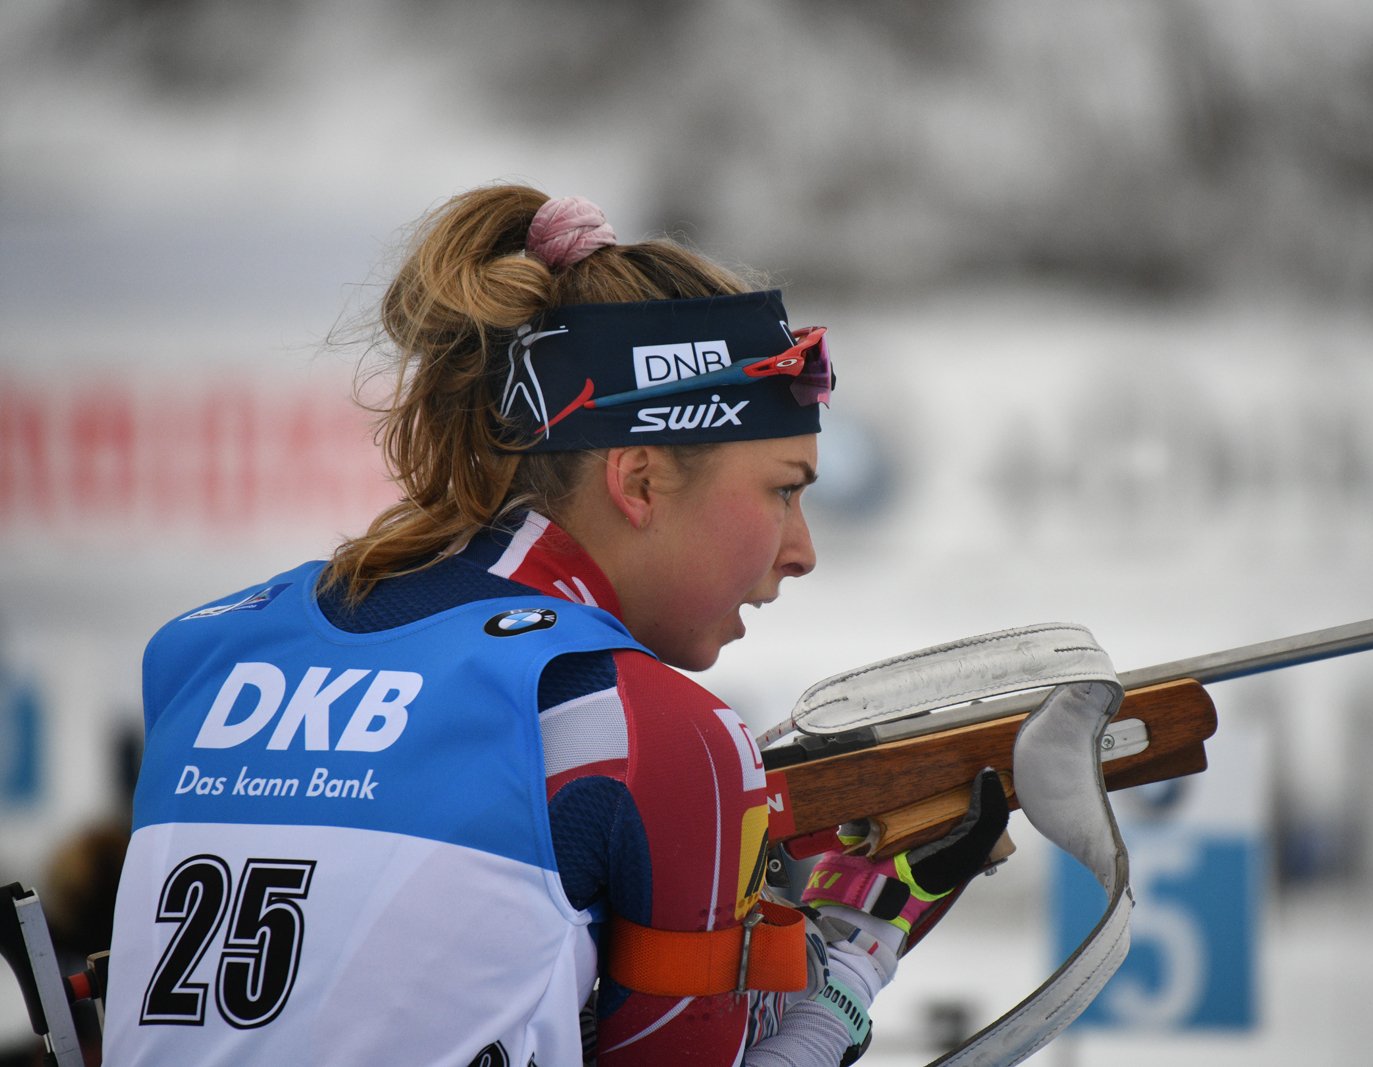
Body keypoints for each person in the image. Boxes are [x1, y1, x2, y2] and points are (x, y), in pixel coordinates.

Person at [103, 184, 1008, 1066]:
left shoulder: (204, 647)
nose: (801, 551)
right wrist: (860, 942)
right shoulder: (644, 727)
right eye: (783, 490)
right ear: (640, 481)